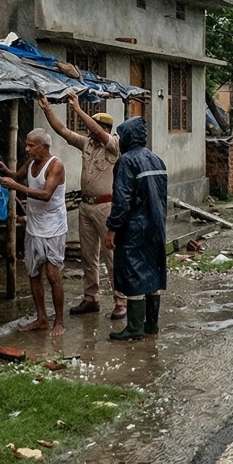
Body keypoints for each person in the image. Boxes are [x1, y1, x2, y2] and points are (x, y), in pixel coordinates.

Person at [37, 94, 126, 320]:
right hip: (86, 206)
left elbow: (96, 131)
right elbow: (62, 131)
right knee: (88, 256)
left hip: (107, 207)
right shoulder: (87, 144)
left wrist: (77, 109)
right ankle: (91, 297)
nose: (90, 132)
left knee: (111, 255)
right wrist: (47, 110)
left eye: (95, 128)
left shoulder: (113, 145)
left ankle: (120, 300)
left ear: (103, 128)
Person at [0, 129, 68, 337]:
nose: (26, 149)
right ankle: (42, 318)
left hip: (53, 226)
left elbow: (45, 194)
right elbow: (17, 175)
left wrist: (16, 186)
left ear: (43, 147)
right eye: (26, 145)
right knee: (34, 273)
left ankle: (59, 321)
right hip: (34, 226)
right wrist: (4, 170)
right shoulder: (31, 161)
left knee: (53, 274)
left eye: (30, 145)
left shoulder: (55, 165)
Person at [104, 116, 168, 341]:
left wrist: (112, 229)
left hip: (134, 229)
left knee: (134, 275)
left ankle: (134, 328)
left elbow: (121, 201)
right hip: (156, 226)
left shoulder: (126, 162)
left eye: (121, 136)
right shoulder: (157, 160)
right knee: (153, 273)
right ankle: (151, 324)